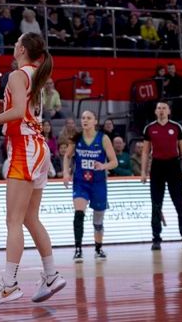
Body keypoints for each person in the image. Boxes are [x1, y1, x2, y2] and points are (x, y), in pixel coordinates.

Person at [0, 32, 66, 304]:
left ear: (22, 49)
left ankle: (9, 284)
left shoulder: (16, 74)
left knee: (13, 220)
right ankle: (51, 275)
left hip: (24, 147)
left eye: (16, 42)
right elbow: (23, 108)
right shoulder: (36, 74)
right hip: (38, 147)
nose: (13, 45)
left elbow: (19, 112)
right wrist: (4, 105)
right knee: (30, 218)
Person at [62, 111, 118, 262]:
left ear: (95, 121)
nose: (85, 120)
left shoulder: (103, 138)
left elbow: (114, 162)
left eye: (88, 118)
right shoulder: (77, 138)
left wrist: (104, 166)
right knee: (79, 213)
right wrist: (66, 173)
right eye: (83, 118)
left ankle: (98, 249)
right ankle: (78, 249)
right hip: (81, 182)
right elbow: (67, 156)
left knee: (98, 221)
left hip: (98, 183)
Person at [141, 102, 182, 250]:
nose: (161, 110)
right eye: (159, 108)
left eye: (164, 108)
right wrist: (143, 172)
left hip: (173, 167)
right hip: (157, 167)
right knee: (156, 205)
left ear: (169, 111)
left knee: (180, 204)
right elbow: (145, 152)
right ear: (155, 111)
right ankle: (156, 239)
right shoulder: (149, 128)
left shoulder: (177, 127)